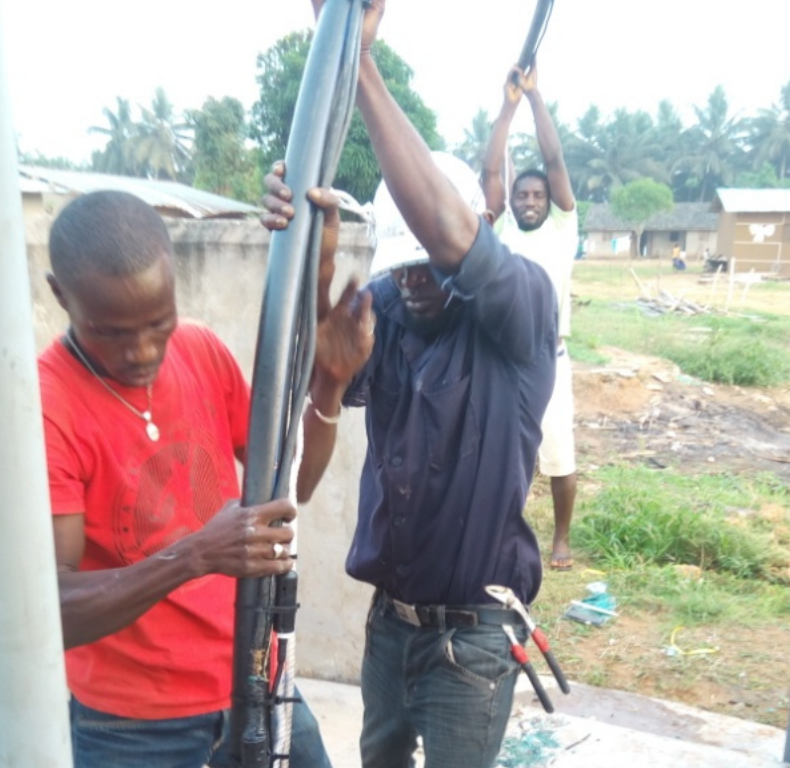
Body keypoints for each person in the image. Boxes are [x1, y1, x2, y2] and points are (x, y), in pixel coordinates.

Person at [265, 2, 560, 765]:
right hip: (390, 627)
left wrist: (357, 60)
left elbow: (450, 235)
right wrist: (304, 244)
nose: (413, 280)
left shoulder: (520, 305)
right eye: (401, 266)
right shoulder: (390, 308)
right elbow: (323, 380)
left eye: (429, 265)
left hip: (472, 640)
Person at [40, 189, 371, 768]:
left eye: (158, 323)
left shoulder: (199, 350)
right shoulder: (47, 404)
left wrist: (329, 384)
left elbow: (294, 488)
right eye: (111, 333)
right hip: (132, 726)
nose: (142, 351)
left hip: (255, 674)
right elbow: (51, 607)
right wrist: (194, 555)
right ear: (60, 295)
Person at [481, 59, 579, 572]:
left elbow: (554, 158)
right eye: (523, 195)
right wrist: (508, 106)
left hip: (550, 357)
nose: (531, 201)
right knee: (498, 450)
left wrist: (536, 98)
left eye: (538, 195)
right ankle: (499, 530)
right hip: (502, 358)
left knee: (559, 452)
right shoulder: (502, 231)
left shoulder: (563, 227)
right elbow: (490, 173)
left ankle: (561, 538)